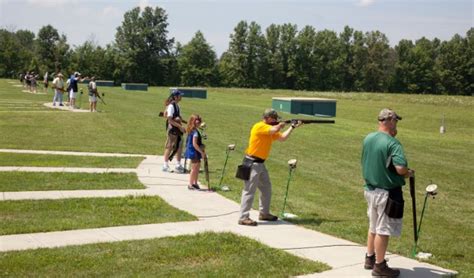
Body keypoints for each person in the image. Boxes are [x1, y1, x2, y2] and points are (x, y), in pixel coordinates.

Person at [361, 108, 415, 277]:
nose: (396, 125)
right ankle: (379, 266)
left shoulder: (368, 138)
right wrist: (408, 173)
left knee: (373, 227)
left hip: (370, 189)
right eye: (395, 121)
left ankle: (369, 258)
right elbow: (400, 168)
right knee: (383, 230)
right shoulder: (393, 143)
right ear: (389, 121)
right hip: (387, 193)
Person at [238, 108, 301, 226]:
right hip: (252, 163)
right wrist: (282, 124)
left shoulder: (269, 129)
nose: (276, 120)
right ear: (268, 118)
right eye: (275, 118)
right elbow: (274, 129)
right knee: (249, 191)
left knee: (266, 188)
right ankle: (243, 217)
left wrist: (292, 127)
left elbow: (282, 138)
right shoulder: (260, 126)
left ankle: (264, 213)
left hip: (260, 164)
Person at [162, 89, 186, 173]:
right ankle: (165, 165)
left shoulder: (177, 105)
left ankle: (178, 164)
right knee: (170, 146)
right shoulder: (171, 106)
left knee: (179, 146)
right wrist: (180, 126)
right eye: (180, 96)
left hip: (177, 128)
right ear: (176, 97)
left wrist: (186, 123)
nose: (181, 97)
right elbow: (169, 120)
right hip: (172, 129)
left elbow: (177, 117)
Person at [184, 114, 205, 190]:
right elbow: (194, 144)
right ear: (194, 122)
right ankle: (190, 184)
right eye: (197, 123)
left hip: (194, 151)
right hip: (194, 152)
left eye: (199, 122)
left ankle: (195, 183)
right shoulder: (195, 132)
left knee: (197, 167)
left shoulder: (192, 130)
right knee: (194, 168)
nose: (199, 124)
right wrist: (201, 152)